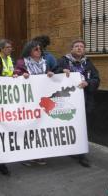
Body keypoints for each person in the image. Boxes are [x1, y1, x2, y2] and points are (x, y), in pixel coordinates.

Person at [56, 39, 100, 168]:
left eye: (82, 46)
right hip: (67, 101)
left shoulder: (88, 63)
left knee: (82, 127)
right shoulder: (63, 61)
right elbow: (52, 73)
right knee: (70, 126)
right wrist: (61, 71)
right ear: (72, 49)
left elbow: (96, 79)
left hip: (85, 101)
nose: (79, 48)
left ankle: (82, 154)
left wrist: (88, 83)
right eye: (76, 46)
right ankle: (72, 150)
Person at [14, 39, 54, 166]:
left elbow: (50, 75)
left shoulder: (45, 63)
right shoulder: (22, 62)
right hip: (27, 102)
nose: (39, 51)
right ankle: (25, 156)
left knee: (39, 128)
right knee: (27, 128)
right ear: (29, 51)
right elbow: (15, 75)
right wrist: (20, 75)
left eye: (40, 49)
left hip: (41, 102)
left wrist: (50, 74)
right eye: (36, 49)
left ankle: (38, 154)